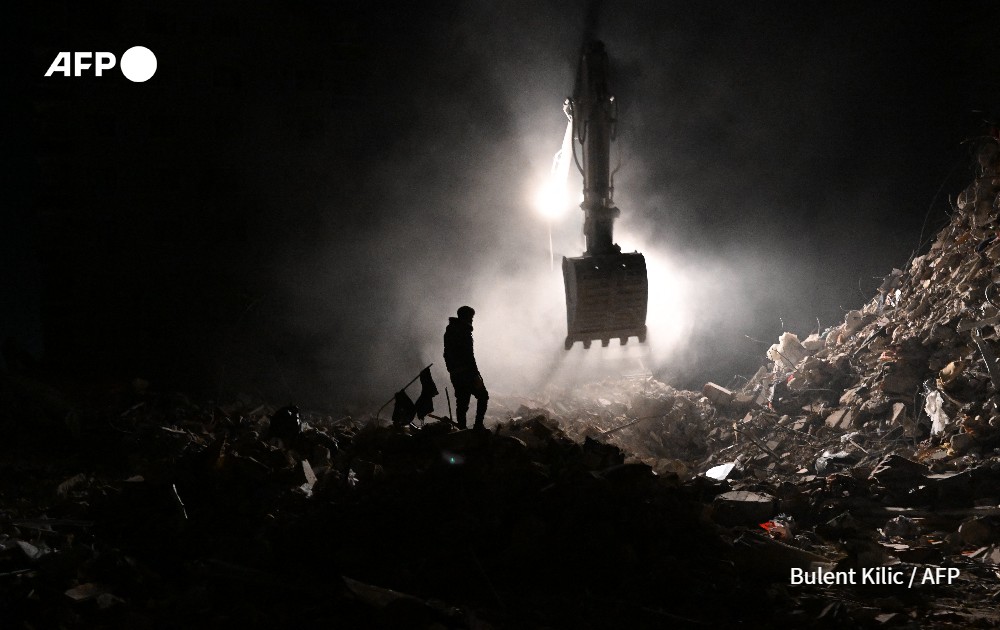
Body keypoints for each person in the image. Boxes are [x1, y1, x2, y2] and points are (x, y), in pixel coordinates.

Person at [443, 305, 488, 430]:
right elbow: (469, 356)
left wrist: (452, 370)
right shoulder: (463, 331)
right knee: (483, 396)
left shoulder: (450, 331)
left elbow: (446, 354)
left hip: (456, 374)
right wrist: (476, 374)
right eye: (471, 317)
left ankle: (462, 430)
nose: (472, 320)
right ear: (465, 317)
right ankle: (478, 425)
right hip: (467, 373)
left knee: (462, 402)